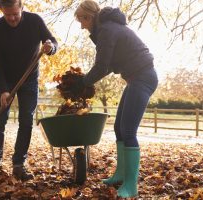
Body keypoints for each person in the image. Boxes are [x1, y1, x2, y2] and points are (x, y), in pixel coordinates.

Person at [72, 0, 158, 198]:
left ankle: (131, 185)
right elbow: (109, 64)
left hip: (143, 78)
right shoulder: (107, 28)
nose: (81, 25)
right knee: (119, 127)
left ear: (89, 17)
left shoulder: (107, 30)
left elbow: (102, 67)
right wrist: (85, 80)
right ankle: (120, 175)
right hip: (136, 78)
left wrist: (84, 82)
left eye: (81, 21)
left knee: (128, 130)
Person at [0, 0, 58, 181]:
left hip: (29, 80)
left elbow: (52, 42)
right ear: (1, 10)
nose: (11, 18)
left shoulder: (35, 21)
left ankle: (19, 164)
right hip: (6, 81)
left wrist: (50, 48)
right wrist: (3, 89)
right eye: (7, 15)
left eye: (15, 14)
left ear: (22, 8)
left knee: (26, 121)